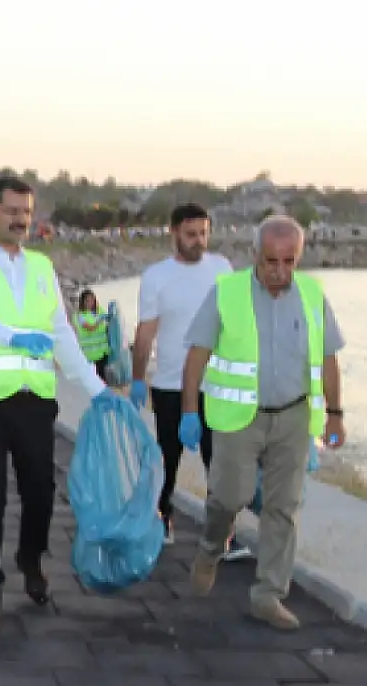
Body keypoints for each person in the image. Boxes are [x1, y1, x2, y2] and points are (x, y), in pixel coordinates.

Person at [0, 177, 119, 633]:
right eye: (12, 211)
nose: (22, 220)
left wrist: (98, 390)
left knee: (41, 492)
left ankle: (30, 556)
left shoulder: (42, 268)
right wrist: (14, 338)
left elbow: (62, 334)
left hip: (35, 403)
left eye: (27, 212)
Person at [180, 215, 346, 630]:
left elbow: (328, 359)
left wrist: (335, 414)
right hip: (239, 419)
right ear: (255, 255)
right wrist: (188, 412)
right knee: (228, 497)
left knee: (283, 508)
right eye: (272, 261)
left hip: (292, 417)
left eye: (290, 261)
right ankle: (210, 547)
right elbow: (196, 356)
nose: (280, 271)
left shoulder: (312, 295)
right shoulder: (226, 293)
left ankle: (268, 595)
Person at [133, 203, 244, 551]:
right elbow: (146, 331)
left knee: (220, 464)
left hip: (215, 385)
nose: (199, 241)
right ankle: (162, 517)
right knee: (168, 457)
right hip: (170, 385)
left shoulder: (222, 268)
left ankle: (221, 535)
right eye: (191, 234)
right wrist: (137, 378)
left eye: (204, 234)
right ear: (174, 233)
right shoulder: (156, 277)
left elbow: (236, 324)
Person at [72, 289, 111, 381]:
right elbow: (89, 328)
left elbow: (108, 322)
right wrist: (100, 320)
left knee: (103, 373)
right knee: (98, 375)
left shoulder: (98, 311)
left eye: (92, 300)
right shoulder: (80, 315)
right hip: (91, 352)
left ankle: (104, 390)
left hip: (103, 350)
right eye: (88, 300)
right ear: (83, 302)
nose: (91, 303)